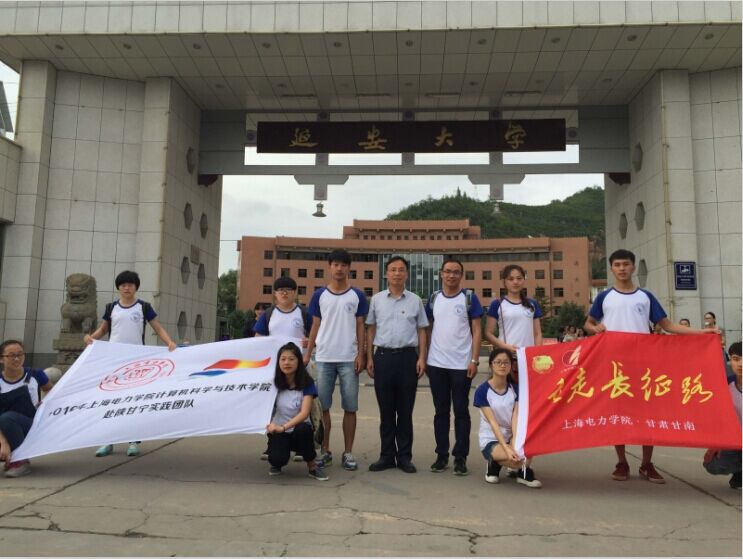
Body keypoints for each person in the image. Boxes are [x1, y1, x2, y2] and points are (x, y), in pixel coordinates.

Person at [584, 249, 718, 483]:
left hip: (643, 364)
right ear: (612, 268)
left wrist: (701, 333)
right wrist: (595, 329)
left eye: (626, 264)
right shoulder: (604, 297)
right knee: (618, 414)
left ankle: (646, 464)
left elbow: (667, 325)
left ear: (633, 267)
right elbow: (588, 323)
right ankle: (622, 462)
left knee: (648, 413)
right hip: (615, 366)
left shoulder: (645, 297)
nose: (622, 268)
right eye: (617, 265)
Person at [84, 270, 177, 457]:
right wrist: (91, 338)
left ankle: (134, 440)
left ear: (136, 287)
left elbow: (157, 328)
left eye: (130, 285)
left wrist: (169, 343)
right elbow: (103, 329)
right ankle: (108, 441)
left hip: (136, 363)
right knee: (111, 401)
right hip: (113, 362)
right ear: (118, 287)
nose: (127, 288)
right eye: (123, 285)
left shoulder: (143, 307)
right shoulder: (111, 307)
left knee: (133, 401)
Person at [304, 249, 368, 471]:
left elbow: (360, 326)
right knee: (323, 407)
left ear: (349, 268)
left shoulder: (357, 295)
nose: (339, 269)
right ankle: (325, 451)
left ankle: (348, 452)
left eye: (343, 265)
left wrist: (361, 354)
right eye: (335, 264)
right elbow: (315, 325)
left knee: (350, 407)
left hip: (349, 359)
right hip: (323, 358)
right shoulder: (319, 295)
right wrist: (308, 353)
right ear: (329, 267)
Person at [366, 256, 428, 474]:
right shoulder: (376, 300)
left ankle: (404, 457)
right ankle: (386, 456)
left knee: (405, 410)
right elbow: (370, 328)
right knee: (386, 411)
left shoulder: (415, 300)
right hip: (383, 357)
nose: (397, 273)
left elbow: (422, 329)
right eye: (393, 270)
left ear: (407, 274)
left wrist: (422, 358)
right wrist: (369, 357)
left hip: (407, 358)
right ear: (386, 274)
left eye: (401, 270)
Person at [425, 258, 483, 476]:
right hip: (436, 364)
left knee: (461, 411)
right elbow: (427, 329)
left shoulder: (469, 298)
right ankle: (441, 455)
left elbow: (477, 330)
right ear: (441, 273)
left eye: (456, 272)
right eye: (448, 271)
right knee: (440, 411)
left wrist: (474, 360)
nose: (451, 275)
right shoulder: (433, 299)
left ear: (461, 275)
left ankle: (460, 457)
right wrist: (425, 356)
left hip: (461, 365)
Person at [254, 276, 311, 461]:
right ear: (275, 294)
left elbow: (316, 336)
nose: (284, 293)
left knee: (301, 406)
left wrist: (310, 342)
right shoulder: (268, 314)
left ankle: (302, 447)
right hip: (275, 369)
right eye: (280, 290)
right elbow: (258, 338)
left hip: (300, 368)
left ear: (295, 292)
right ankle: (272, 443)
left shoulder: (304, 313)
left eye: (288, 290)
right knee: (272, 406)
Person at [473, 347, 541, 488]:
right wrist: (506, 448)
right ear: (491, 364)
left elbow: (515, 418)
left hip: (511, 436)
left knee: (526, 451)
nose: (502, 365)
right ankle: (494, 463)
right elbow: (493, 422)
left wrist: (516, 444)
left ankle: (522, 473)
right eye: (498, 362)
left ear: (511, 366)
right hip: (492, 439)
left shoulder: (515, 389)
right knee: (517, 461)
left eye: (506, 362)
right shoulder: (482, 391)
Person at [266, 342, 328, 481]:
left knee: (303, 430)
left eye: (291, 359)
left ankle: (312, 467)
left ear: (299, 362)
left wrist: (283, 427)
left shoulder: (307, 383)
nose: (286, 362)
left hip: (298, 431)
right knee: (276, 459)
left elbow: (304, 413)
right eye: (283, 359)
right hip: (278, 431)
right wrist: (273, 427)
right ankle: (278, 457)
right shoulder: (273, 383)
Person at [0, 340, 53, 477]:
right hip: (4, 428)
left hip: (32, 427)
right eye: (11, 355)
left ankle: (20, 461)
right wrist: (3, 442)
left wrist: (45, 404)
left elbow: (51, 391)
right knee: (6, 419)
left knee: (7, 418)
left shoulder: (36, 374)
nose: (16, 359)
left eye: (20, 354)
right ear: (1, 359)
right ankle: (11, 457)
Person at [484, 264, 543, 368]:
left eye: (519, 278)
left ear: (524, 280)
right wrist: (506, 347)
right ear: (504, 282)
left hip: (528, 357)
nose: (515, 282)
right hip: (505, 357)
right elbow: (488, 333)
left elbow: (537, 333)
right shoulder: (497, 304)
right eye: (511, 279)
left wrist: (537, 353)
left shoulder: (532, 303)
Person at [703, 341, 742, 490]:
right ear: (730, 360)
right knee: (712, 464)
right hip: (735, 440)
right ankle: (739, 473)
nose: (740, 364)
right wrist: (717, 442)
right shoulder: (725, 385)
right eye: (736, 359)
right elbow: (717, 416)